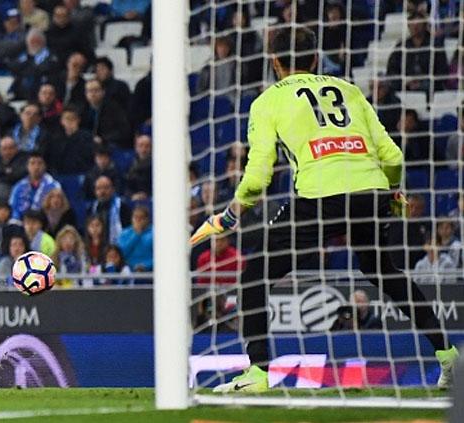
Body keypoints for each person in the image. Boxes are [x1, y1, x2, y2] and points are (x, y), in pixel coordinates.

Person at [190, 26, 458, 393]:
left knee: (255, 277)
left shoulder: (267, 101)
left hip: (320, 196)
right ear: (315, 59)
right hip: (371, 190)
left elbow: (258, 174)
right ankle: (449, 357)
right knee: (383, 271)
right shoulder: (348, 89)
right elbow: (392, 155)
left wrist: (232, 214)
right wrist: (393, 193)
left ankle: (259, 372)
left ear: (274, 63)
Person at [9, 152, 61, 221]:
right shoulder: (18, 186)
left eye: (40, 163)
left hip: (46, 225)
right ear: (27, 166)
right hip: (22, 225)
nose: (36, 167)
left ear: (45, 166)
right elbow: (13, 208)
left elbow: (56, 210)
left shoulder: (54, 186)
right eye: (32, 163)